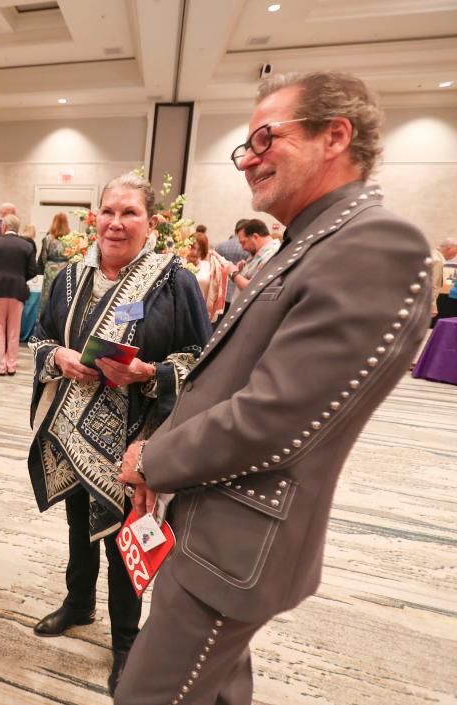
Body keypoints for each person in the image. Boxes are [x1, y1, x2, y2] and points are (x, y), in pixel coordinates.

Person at [115, 71, 432, 705]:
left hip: (237, 542)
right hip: (212, 523)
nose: (248, 159)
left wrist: (153, 457)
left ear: (334, 136)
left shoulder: (375, 242)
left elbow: (276, 417)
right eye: (245, 145)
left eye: (265, 137)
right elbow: (224, 378)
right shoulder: (308, 243)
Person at [28, 172, 211, 696]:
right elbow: (39, 339)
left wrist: (150, 374)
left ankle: (128, 642)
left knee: (123, 540)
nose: (115, 223)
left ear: (150, 223)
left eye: (129, 213)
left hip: (137, 437)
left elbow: (200, 359)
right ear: (94, 217)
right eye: (108, 211)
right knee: (76, 527)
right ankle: (79, 603)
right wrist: (58, 357)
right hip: (67, 431)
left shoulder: (174, 281)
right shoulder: (66, 278)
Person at [0, 213, 37, 375]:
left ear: (3, 227)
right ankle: (11, 365)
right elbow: (33, 270)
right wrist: (20, 278)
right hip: (18, 290)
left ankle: (0, 364)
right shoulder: (27, 246)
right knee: (14, 329)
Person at [223, 218, 279, 292]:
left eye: (243, 242)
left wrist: (233, 273)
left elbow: (252, 289)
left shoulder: (271, 254)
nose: (243, 248)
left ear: (255, 237)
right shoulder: (260, 252)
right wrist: (242, 270)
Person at [186, 231, 229, 322]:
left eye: (199, 249)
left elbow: (226, 267)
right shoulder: (178, 263)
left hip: (200, 314)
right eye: (192, 247)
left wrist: (215, 255)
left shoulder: (208, 267)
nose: (194, 252)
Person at [38, 211, 72, 311]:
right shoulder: (70, 239)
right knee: (63, 295)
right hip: (65, 269)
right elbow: (73, 257)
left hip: (50, 269)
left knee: (47, 296)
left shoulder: (47, 239)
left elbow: (44, 258)